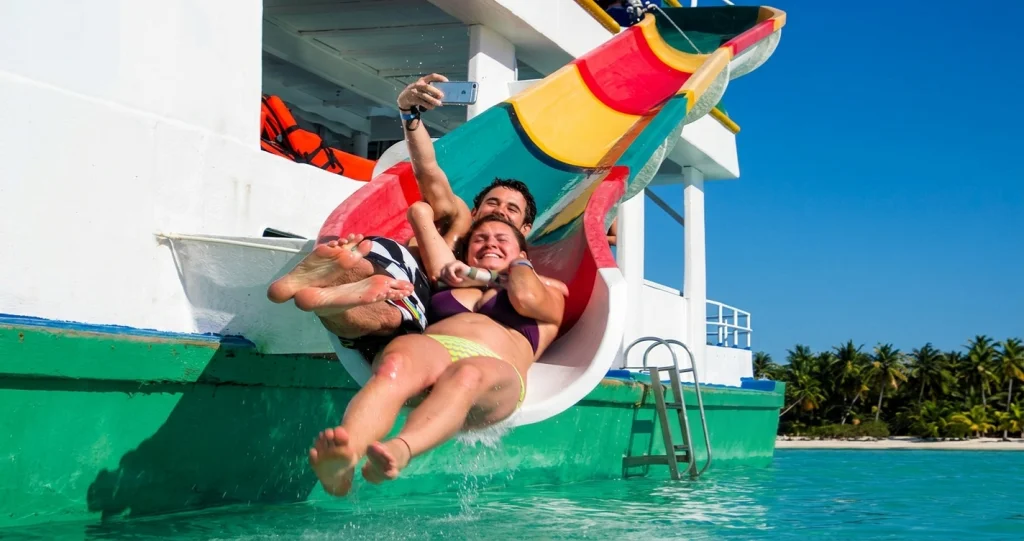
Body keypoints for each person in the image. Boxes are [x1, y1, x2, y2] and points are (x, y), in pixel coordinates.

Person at [267, 73, 563, 361]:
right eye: (492, 203)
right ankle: (323, 281)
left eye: (511, 209)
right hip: (401, 267)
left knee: (385, 316)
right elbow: (428, 171)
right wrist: (410, 114)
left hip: (411, 300)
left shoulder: (523, 267)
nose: (499, 210)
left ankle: (321, 298)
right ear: (475, 211)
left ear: (526, 227)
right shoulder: (460, 220)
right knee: (363, 264)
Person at [307, 212, 566, 496]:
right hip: (435, 348)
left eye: (501, 239)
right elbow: (423, 231)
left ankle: (402, 449)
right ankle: (345, 458)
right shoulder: (450, 282)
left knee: (467, 374)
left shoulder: (549, 295)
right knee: (396, 363)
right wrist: (462, 273)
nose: (490, 243)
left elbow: (524, 296)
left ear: (523, 253)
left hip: (497, 369)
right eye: (480, 239)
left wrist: (519, 265)